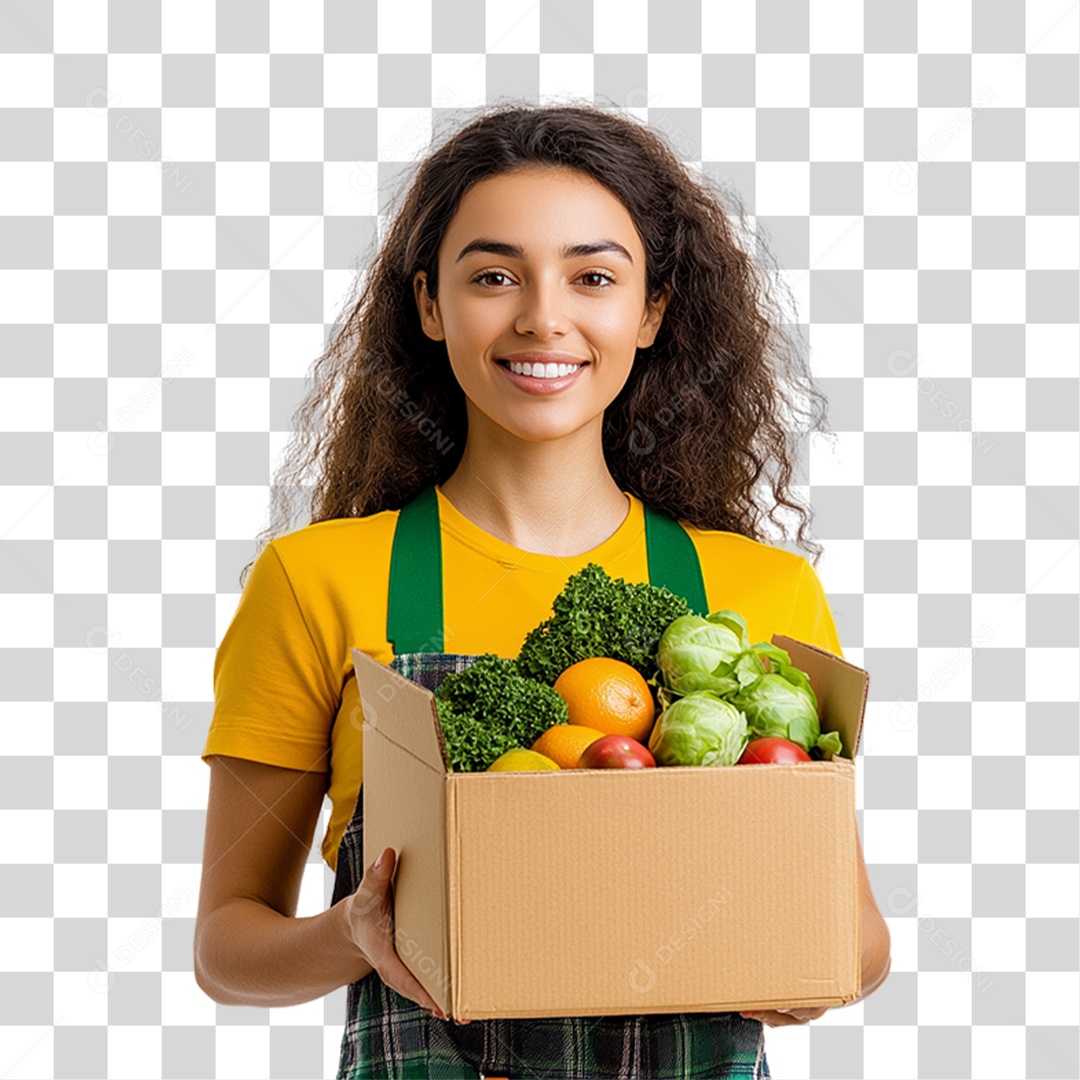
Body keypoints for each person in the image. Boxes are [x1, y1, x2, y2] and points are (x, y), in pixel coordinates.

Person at [193, 101, 892, 1079]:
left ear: (650, 311)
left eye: (593, 276)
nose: (542, 318)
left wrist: (810, 974)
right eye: (493, 276)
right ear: (431, 305)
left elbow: (857, 938)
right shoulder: (319, 581)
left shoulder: (756, 593)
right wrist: (356, 936)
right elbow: (229, 950)